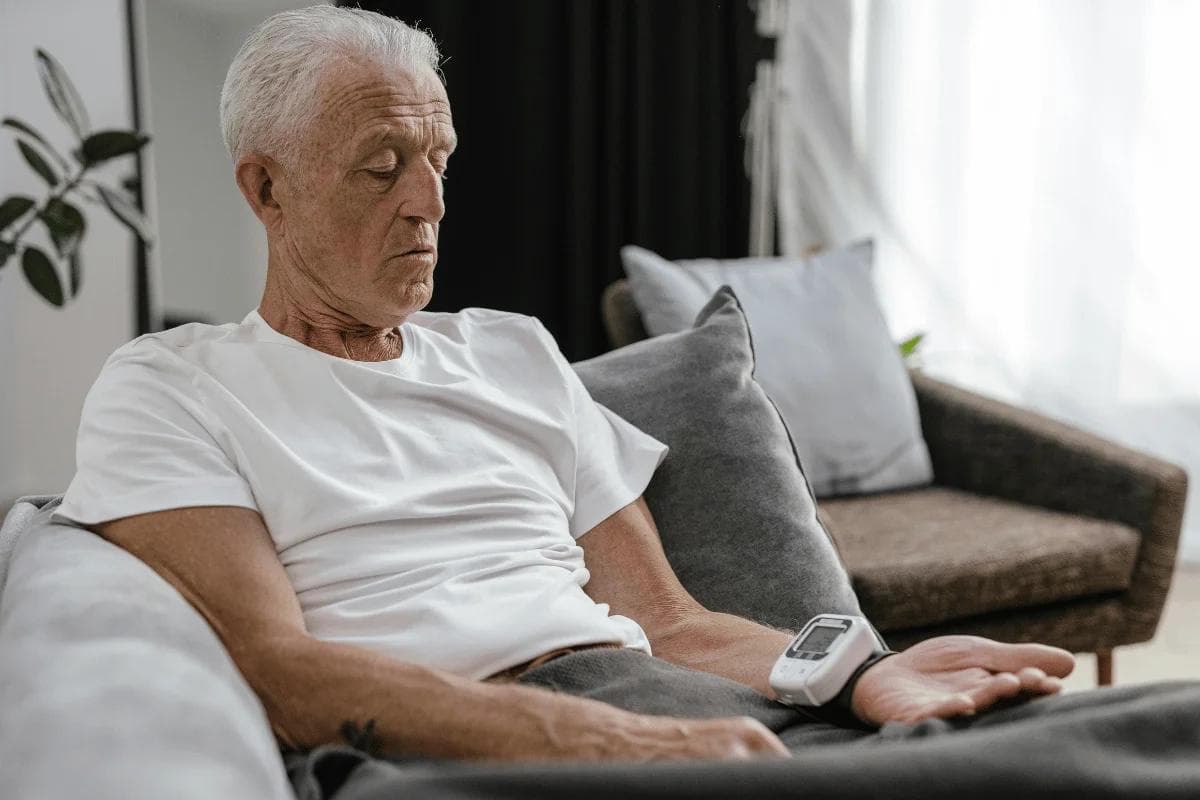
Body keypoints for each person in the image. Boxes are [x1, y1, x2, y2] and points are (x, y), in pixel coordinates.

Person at [54, 4, 1101, 768]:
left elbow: (675, 621)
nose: (428, 202)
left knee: (1113, 740)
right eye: (382, 165)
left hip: (656, 699)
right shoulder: (171, 386)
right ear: (266, 187)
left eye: (441, 161)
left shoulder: (512, 351)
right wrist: (617, 741)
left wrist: (868, 669)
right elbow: (278, 671)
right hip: (462, 741)